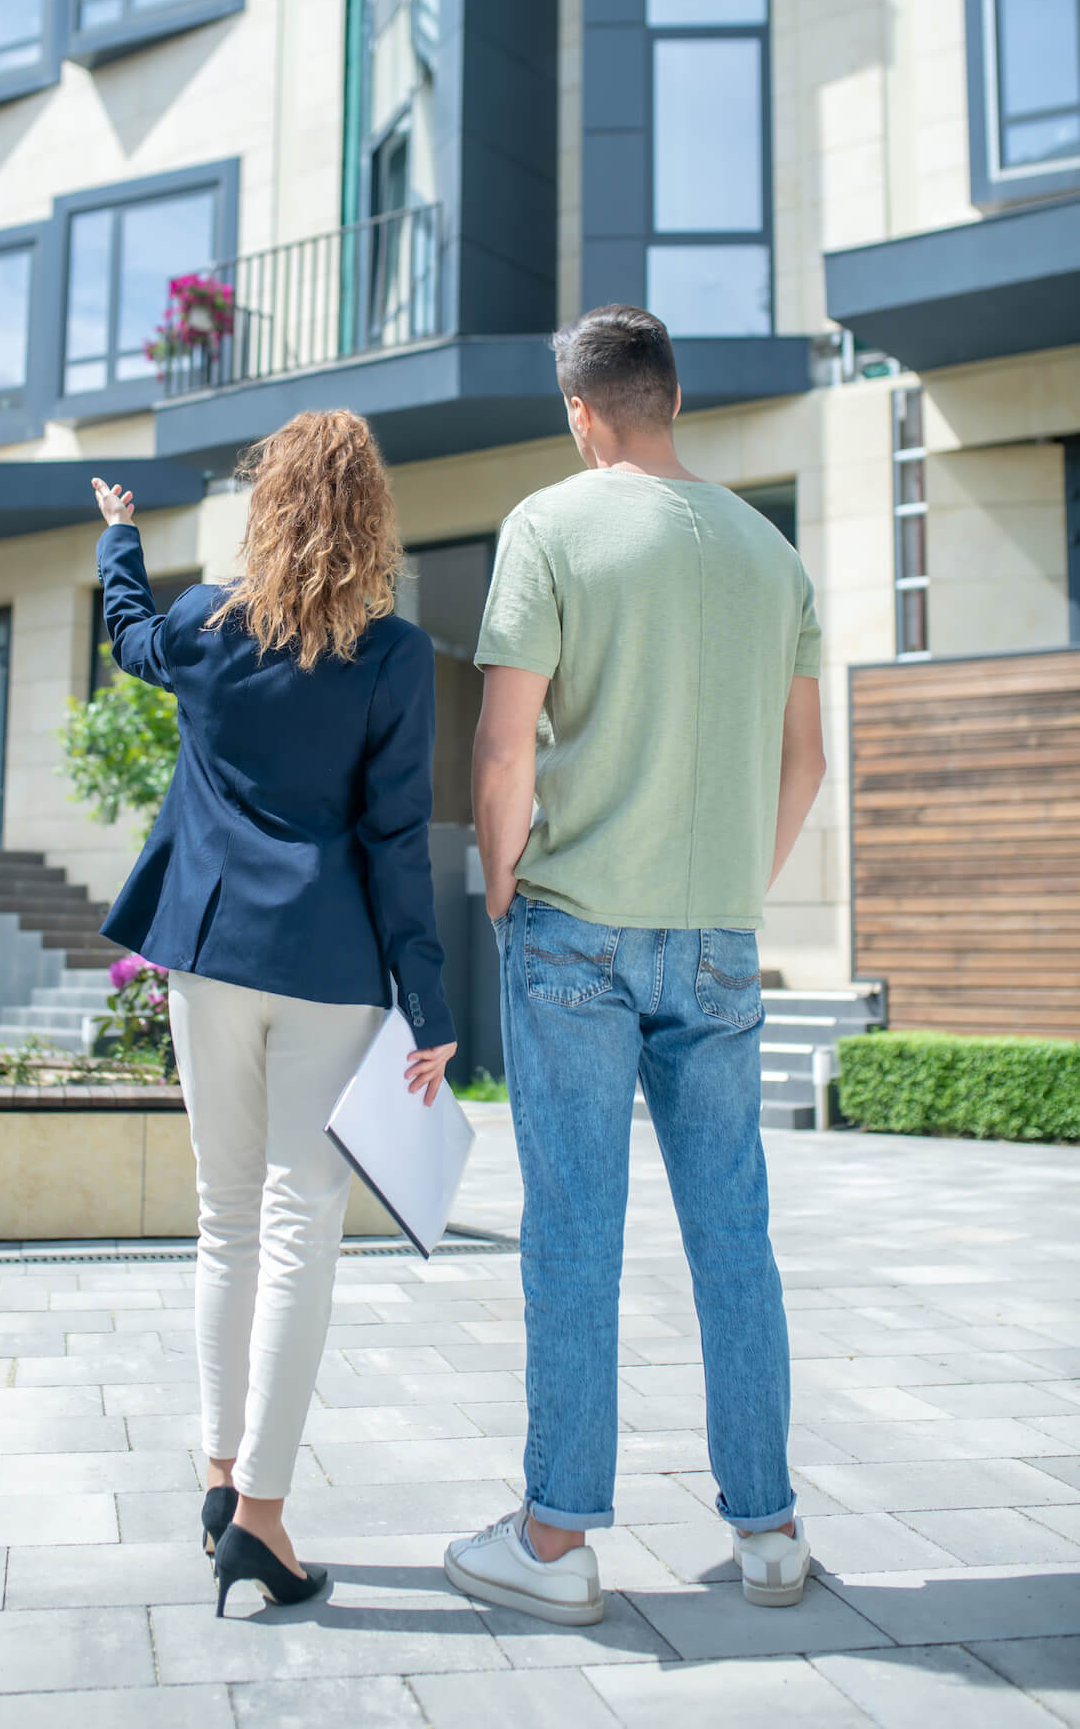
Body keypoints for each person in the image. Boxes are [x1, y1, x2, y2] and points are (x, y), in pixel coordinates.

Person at [444, 304, 826, 1627]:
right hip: (715, 938)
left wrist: (501, 892)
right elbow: (807, 759)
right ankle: (768, 1531)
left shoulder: (550, 524)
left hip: (571, 933)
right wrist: (730, 887)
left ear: (583, 412)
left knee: (573, 1240)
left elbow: (501, 752)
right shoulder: (771, 554)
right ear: (669, 401)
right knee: (734, 1237)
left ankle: (554, 1543)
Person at [91, 408, 456, 1618]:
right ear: (372, 520)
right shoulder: (395, 657)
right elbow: (398, 839)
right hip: (331, 965)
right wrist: (432, 996)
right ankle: (260, 1513)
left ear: (268, 503)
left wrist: (121, 539)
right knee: (302, 1230)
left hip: (206, 954)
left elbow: (132, 635)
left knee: (222, 1218)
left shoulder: (204, 625)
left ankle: (217, 1474)